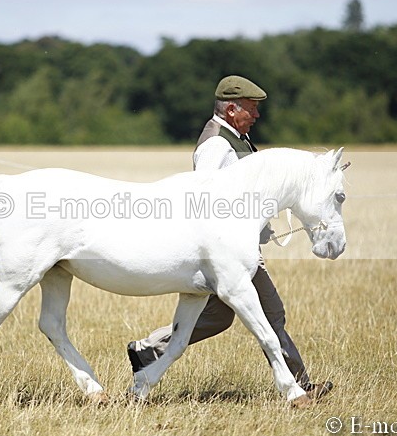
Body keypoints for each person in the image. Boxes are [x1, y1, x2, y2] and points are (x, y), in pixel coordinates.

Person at [126, 75, 333, 402]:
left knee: (220, 317)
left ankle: (148, 350)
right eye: (252, 108)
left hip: (235, 248)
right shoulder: (216, 144)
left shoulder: (238, 138)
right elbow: (202, 195)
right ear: (232, 109)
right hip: (224, 252)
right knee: (272, 313)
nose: (257, 115)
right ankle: (298, 386)